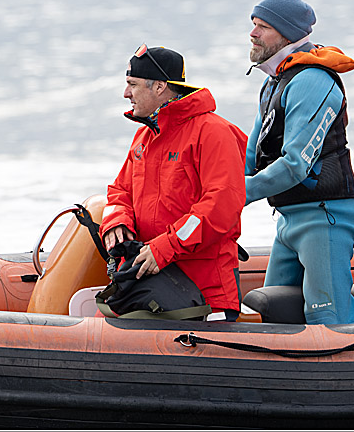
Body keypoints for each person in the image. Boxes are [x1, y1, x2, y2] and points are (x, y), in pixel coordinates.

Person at [99, 44, 248, 321]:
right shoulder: (145, 137)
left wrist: (165, 247)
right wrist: (116, 222)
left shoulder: (214, 133)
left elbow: (220, 207)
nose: (126, 94)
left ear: (158, 87)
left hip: (203, 294)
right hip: (152, 286)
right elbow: (120, 191)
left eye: (132, 84)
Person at [244, 0, 354, 325]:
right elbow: (251, 153)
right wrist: (219, 191)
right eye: (253, 24)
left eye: (262, 26)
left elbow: (297, 164)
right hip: (287, 218)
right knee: (275, 317)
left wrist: (242, 194)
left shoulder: (312, 80)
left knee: (330, 320)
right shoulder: (273, 83)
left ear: (287, 34)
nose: (253, 33)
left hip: (323, 217)